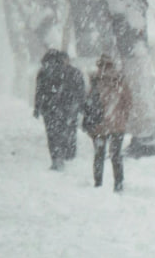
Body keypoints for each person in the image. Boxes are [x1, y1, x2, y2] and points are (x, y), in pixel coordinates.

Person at [33, 51, 85, 171]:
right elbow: (80, 91)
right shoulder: (73, 72)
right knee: (67, 131)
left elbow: (39, 91)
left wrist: (37, 107)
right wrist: (81, 106)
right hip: (67, 108)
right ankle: (66, 154)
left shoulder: (44, 73)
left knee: (53, 134)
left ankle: (57, 157)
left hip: (51, 108)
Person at [87, 55, 132, 192]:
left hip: (99, 125)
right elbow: (128, 102)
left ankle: (98, 183)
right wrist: (123, 117)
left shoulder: (95, 81)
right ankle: (118, 183)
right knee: (115, 155)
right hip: (116, 124)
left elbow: (88, 103)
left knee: (99, 155)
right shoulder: (119, 81)